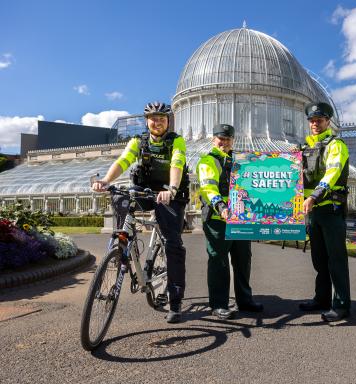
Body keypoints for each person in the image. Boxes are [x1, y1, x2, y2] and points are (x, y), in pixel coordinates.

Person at [92, 101, 189, 324]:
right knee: (120, 197)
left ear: (167, 122)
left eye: (161, 119)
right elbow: (123, 160)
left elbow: (177, 163)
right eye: (153, 119)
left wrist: (172, 188)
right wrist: (106, 181)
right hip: (144, 191)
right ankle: (122, 245)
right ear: (147, 121)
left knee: (173, 245)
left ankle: (175, 301)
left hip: (169, 194)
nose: (157, 122)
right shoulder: (138, 141)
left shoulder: (176, 141)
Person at [196, 123, 263, 320]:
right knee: (219, 260)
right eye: (220, 138)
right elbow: (208, 188)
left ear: (232, 140)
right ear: (213, 139)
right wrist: (220, 206)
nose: (224, 142)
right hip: (218, 218)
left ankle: (245, 300)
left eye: (227, 139)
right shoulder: (208, 161)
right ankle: (218, 304)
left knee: (243, 259)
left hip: (240, 219)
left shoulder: (241, 161)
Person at [298, 101, 351, 322]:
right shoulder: (303, 148)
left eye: (319, 120)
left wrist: (314, 196)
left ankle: (341, 306)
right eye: (311, 121)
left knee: (336, 259)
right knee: (319, 259)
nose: (314, 124)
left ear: (328, 121)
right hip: (314, 212)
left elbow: (332, 173)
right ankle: (322, 298)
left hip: (330, 208)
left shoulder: (336, 145)